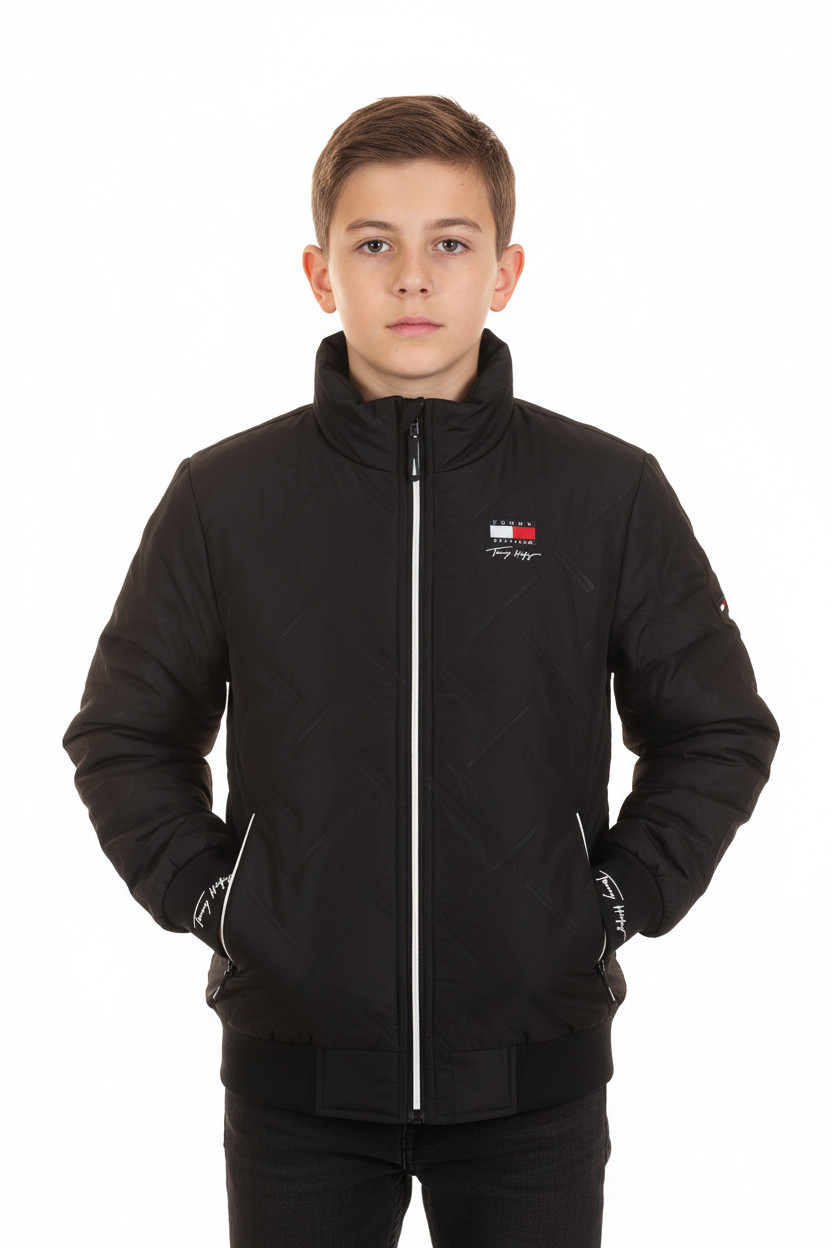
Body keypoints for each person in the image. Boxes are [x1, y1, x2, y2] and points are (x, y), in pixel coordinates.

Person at [63, 95, 779, 1247]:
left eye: (449, 242)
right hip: (297, 1086)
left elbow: (716, 728)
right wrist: (222, 902)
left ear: (504, 272)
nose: (410, 277)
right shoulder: (227, 498)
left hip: (532, 1083)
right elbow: (125, 735)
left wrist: (610, 901)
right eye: (372, 244)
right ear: (319, 273)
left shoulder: (603, 493)